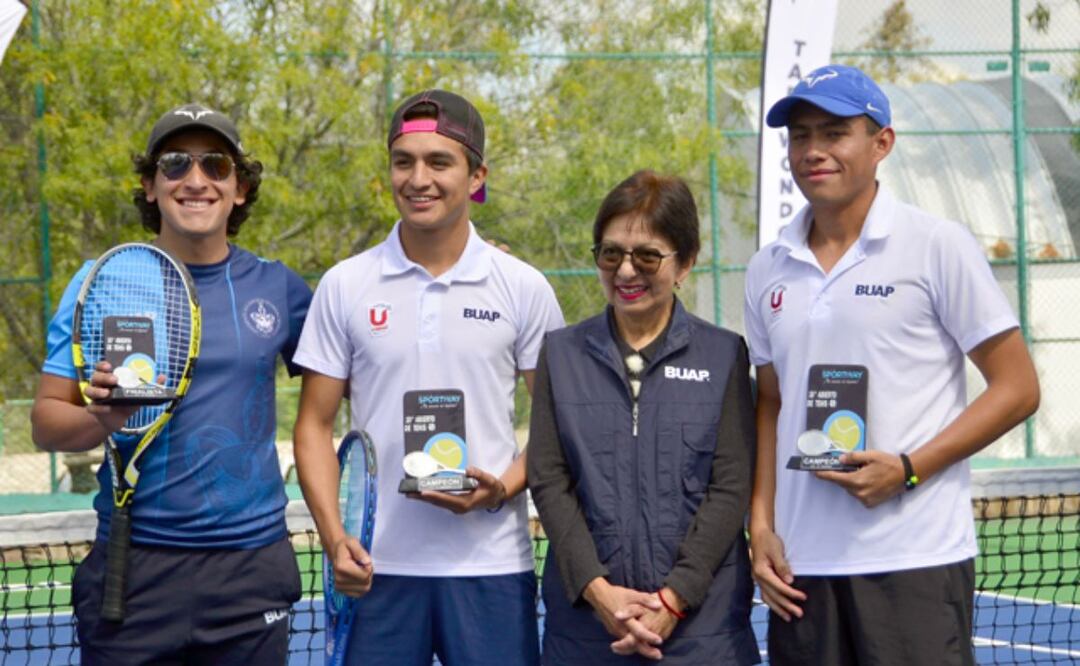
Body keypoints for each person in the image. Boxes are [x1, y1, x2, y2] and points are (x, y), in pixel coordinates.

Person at [744, 64, 1040, 665]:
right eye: (800, 136)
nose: (813, 151)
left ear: (882, 143)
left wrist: (908, 468)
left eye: (833, 133)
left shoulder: (936, 244)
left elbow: (1017, 388)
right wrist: (761, 526)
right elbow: (771, 402)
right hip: (802, 570)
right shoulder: (767, 266)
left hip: (914, 561)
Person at [30, 103, 312, 665]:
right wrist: (98, 420)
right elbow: (44, 423)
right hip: (134, 570)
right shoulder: (100, 281)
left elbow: (363, 373)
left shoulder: (279, 288)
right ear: (150, 186)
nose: (196, 179)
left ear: (240, 189)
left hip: (251, 567)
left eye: (216, 164)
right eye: (176, 163)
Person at [292, 89, 564, 666]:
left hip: (491, 568)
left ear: (476, 175)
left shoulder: (523, 286)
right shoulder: (345, 284)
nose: (418, 178)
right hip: (377, 572)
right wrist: (336, 539)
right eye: (403, 161)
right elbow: (313, 427)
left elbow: (557, 424)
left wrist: (503, 489)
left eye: (439, 162)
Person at [528, 170, 759, 665]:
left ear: (686, 262)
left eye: (647, 256)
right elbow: (549, 479)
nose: (626, 272)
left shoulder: (725, 355)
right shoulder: (560, 354)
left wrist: (674, 600)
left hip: (705, 634)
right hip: (587, 634)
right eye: (611, 254)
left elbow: (730, 486)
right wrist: (599, 593)